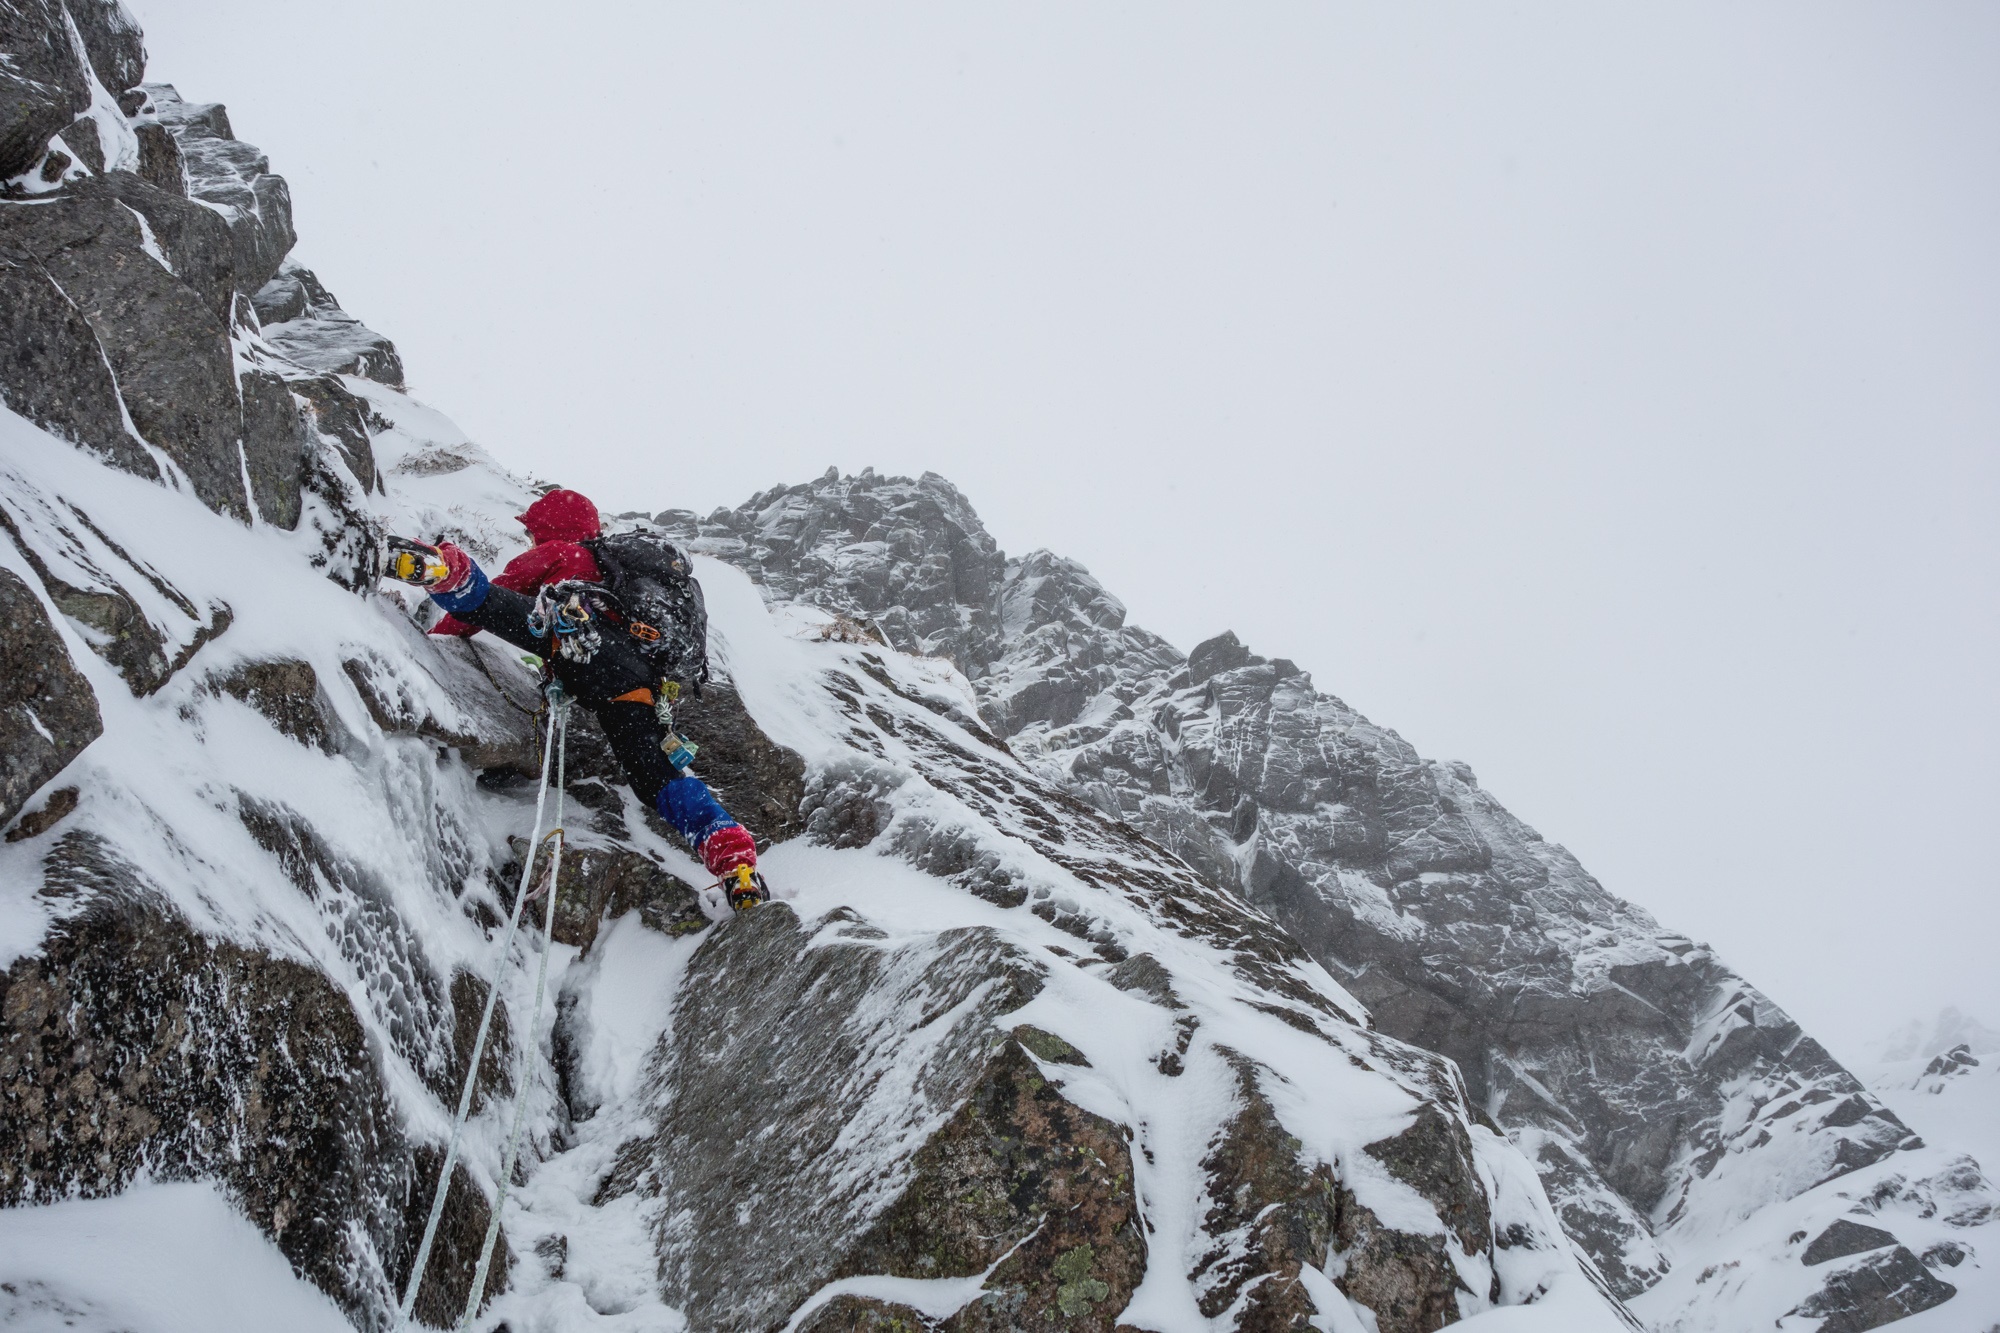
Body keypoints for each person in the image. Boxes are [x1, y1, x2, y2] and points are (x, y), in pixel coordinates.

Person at [389, 489, 766, 910]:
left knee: (488, 602)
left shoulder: (558, 552)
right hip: (634, 681)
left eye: (533, 532)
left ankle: (439, 568)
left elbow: (500, 596)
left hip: (579, 641)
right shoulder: (615, 575)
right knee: (655, 775)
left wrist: (429, 643)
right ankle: (733, 860)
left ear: (550, 528)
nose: (530, 540)